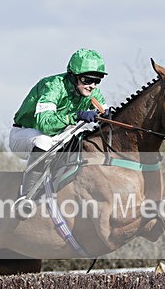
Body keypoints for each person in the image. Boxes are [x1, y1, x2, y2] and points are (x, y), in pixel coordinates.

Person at [9, 48, 107, 213]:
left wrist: (111, 116)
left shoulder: (93, 93)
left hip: (60, 136)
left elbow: (105, 114)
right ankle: (26, 196)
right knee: (44, 141)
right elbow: (45, 124)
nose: (92, 86)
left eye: (97, 81)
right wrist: (76, 116)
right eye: (87, 80)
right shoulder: (53, 86)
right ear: (73, 75)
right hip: (25, 134)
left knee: (87, 139)